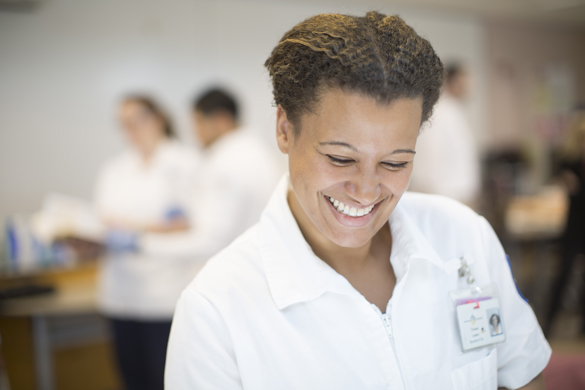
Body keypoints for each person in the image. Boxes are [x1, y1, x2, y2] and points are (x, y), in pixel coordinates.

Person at [166, 12, 550, 390]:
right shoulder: (215, 311)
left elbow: (522, 371)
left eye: (395, 162)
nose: (367, 191)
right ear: (285, 130)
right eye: (340, 158)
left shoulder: (463, 236)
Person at [94, 95, 199, 390]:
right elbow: (102, 222)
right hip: (119, 294)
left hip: (165, 294)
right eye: (124, 124)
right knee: (132, 379)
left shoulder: (185, 162)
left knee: (165, 379)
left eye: (137, 119)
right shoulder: (114, 169)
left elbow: (192, 224)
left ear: (158, 117)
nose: (131, 129)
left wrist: (134, 231)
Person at [136, 88, 281, 260]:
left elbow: (210, 243)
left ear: (221, 120)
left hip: (235, 265)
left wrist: (141, 244)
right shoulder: (255, 151)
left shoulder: (229, 162)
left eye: (198, 123)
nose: (195, 133)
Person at [409, 63, 481, 209]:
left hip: (459, 194)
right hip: (446, 194)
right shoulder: (439, 112)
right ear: (453, 81)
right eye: (464, 81)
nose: (468, 87)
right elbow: (433, 154)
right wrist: (439, 195)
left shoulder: (455, 110)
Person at [544, 107, 585, 337]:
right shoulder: (569, 161)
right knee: (563, 275)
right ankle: (549, 324)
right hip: (573, 229)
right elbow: (556, 179)